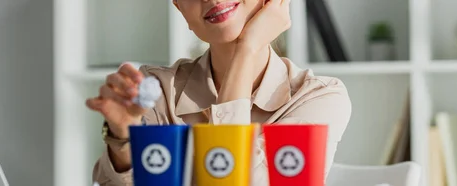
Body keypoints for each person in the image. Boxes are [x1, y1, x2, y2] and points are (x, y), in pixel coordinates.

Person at [85, 0, 352, 185]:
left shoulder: (319, 97)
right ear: (178, 6)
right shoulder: (159, 92)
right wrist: (123, 136)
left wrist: (247, 49)